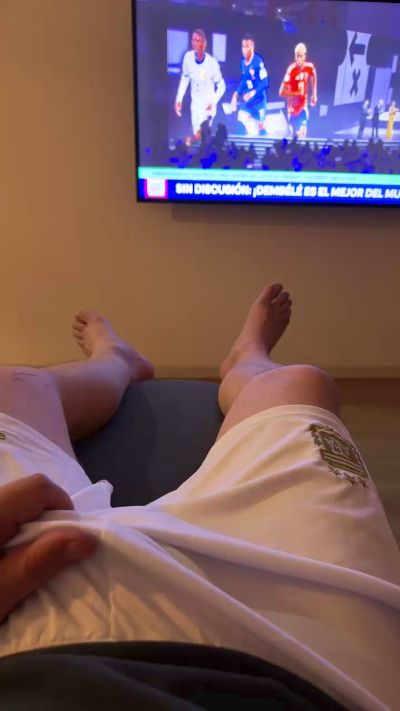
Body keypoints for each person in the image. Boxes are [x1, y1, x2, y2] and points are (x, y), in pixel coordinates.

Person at [0, 286, 399, 710]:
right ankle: (240, 360)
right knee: (299, 382)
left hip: (23, 616)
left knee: (13, 384)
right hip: (309, 662)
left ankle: (116, 360)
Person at [174, 28, 226, 145]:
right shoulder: (188, 58)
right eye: (194, 40)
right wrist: (179, 100)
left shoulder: (212, 63)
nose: (196, 43)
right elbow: (185, 79)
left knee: (202, 134)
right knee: (198, 136)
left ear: (204, 43)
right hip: (195, 105)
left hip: (207, 107)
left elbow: (222, 87)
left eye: (199, 40)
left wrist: (212, 101)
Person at [230, 34, 269, 137]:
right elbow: (244, 80)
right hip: (249, 102)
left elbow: (265, 82)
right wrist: (235, 95)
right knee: (240, 117)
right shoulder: (242, 63)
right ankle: (238, 144)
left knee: (260, 129)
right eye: (243, 46)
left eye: (247, 46)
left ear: (252, 47)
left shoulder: (258, 61)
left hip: (259, 101)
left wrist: (252, 93)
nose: (244, 49)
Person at [279, 43, 317, 139]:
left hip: (303, 106)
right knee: (293, 136)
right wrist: (295, 93)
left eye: (301, 56)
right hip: (292, 108)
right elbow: (281, 92)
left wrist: (314, 93)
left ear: (305, 56)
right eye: (297, 56)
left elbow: (313, 73)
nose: (299, 59)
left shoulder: (309, 67)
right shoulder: (291, 70)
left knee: (302, 133)